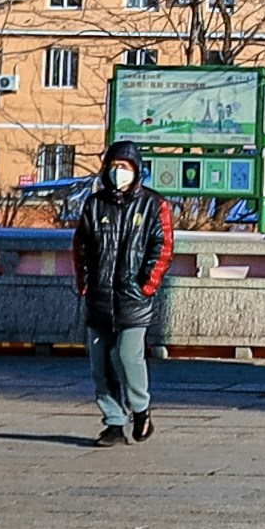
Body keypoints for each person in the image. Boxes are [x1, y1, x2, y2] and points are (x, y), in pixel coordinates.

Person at [70, 163, 176, 448]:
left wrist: (147, 285)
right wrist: (85, 282)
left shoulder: (154, 204)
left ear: (136, 170)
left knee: (128, 356)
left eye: (125, 166)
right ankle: (114, 423)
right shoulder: (95, 204)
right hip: (99, 297)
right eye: (115, 166)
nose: (119, 172)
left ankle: (140, 410)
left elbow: (163, 246)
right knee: (101, 365)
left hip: (133, 299)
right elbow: (81, 245)